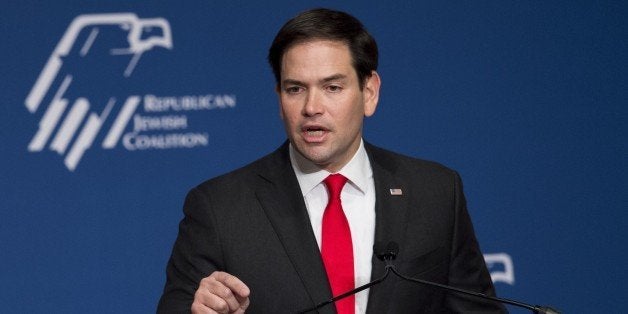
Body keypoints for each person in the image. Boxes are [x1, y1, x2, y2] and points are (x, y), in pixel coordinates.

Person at [157, 8, 505, 314]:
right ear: (279, 98)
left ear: (369, 93)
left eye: (332, 88)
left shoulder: (435, 192)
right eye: (295, 89)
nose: (312, 108)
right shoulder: (219, 208)